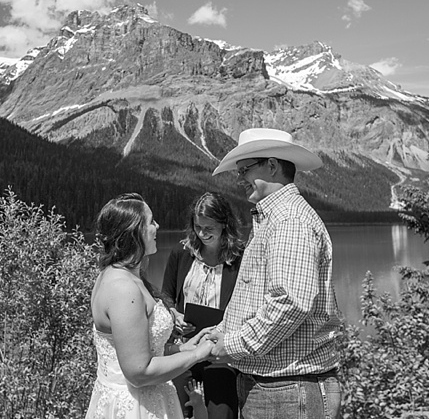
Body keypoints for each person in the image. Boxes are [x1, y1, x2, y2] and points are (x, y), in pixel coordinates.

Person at [206, 128, 344, 419]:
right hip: (278, 388)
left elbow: (289, 303)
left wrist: (230, 344)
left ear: (272, 165)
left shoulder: (289, 221)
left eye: (245, 169)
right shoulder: (276, 219)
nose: (239, 178)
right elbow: (256, 295)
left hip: (288, 391)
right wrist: (222, 331)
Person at [85, 193, 215, 419]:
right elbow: (139, 372)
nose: (158, 226)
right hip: (135, 407)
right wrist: (198, 356)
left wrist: (184, 348)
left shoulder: (126, 276)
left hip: (147, 401)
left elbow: (143, 348)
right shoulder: (122, 288)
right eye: (151, 221)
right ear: (133, 232)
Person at [162, 192, 244, 419]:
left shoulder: (240, 258)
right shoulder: (182, 252)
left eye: (210, 227)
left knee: (221, 412)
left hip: (220, 353)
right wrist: (174, 315)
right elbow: (167, 296)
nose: (202, 233)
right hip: (184, 347)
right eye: (198, 227)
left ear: (225, 225)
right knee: (179, 412)